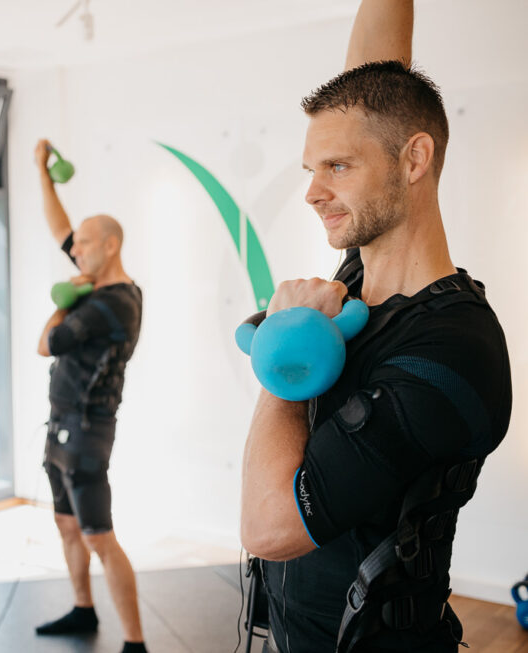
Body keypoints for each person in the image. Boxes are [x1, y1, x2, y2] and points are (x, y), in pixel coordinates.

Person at [239, 1, 512, 652]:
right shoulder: (359, 276)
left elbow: (270, 527)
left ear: (414, 159)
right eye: (311, 169)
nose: (312, 191)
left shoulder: (453, 349)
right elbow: (375, 82)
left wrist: (286, 353)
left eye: (337, 166)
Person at [33, 138, 146, 653]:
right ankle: (83, 609)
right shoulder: (94, 282)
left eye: (82, 244)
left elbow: (46, 343)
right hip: (60, 426)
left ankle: (135, 642)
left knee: (99, 535)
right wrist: (43, 173)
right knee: (66, 524)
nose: (73, 250)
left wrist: (64, 298)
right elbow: (61, 228)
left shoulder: (113, 303)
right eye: (74, 246)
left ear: (110, 246)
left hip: (87, 432)